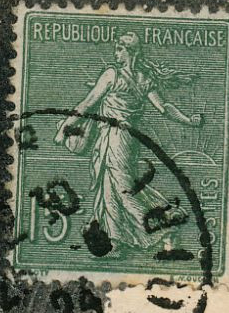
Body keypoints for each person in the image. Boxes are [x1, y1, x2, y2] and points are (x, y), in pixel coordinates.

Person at [54, 33, 202, 255]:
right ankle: (117, 241)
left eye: (120, 48)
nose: (116, 52)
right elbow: (165, 108)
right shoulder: (144, 80)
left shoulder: (111, 75)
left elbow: (86, 104)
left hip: (115, 140)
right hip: (127, 142)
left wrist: (64, 127)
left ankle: (166, 225)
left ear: (130, 51)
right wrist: (188, 121)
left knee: (123, 191)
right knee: (109, 188)